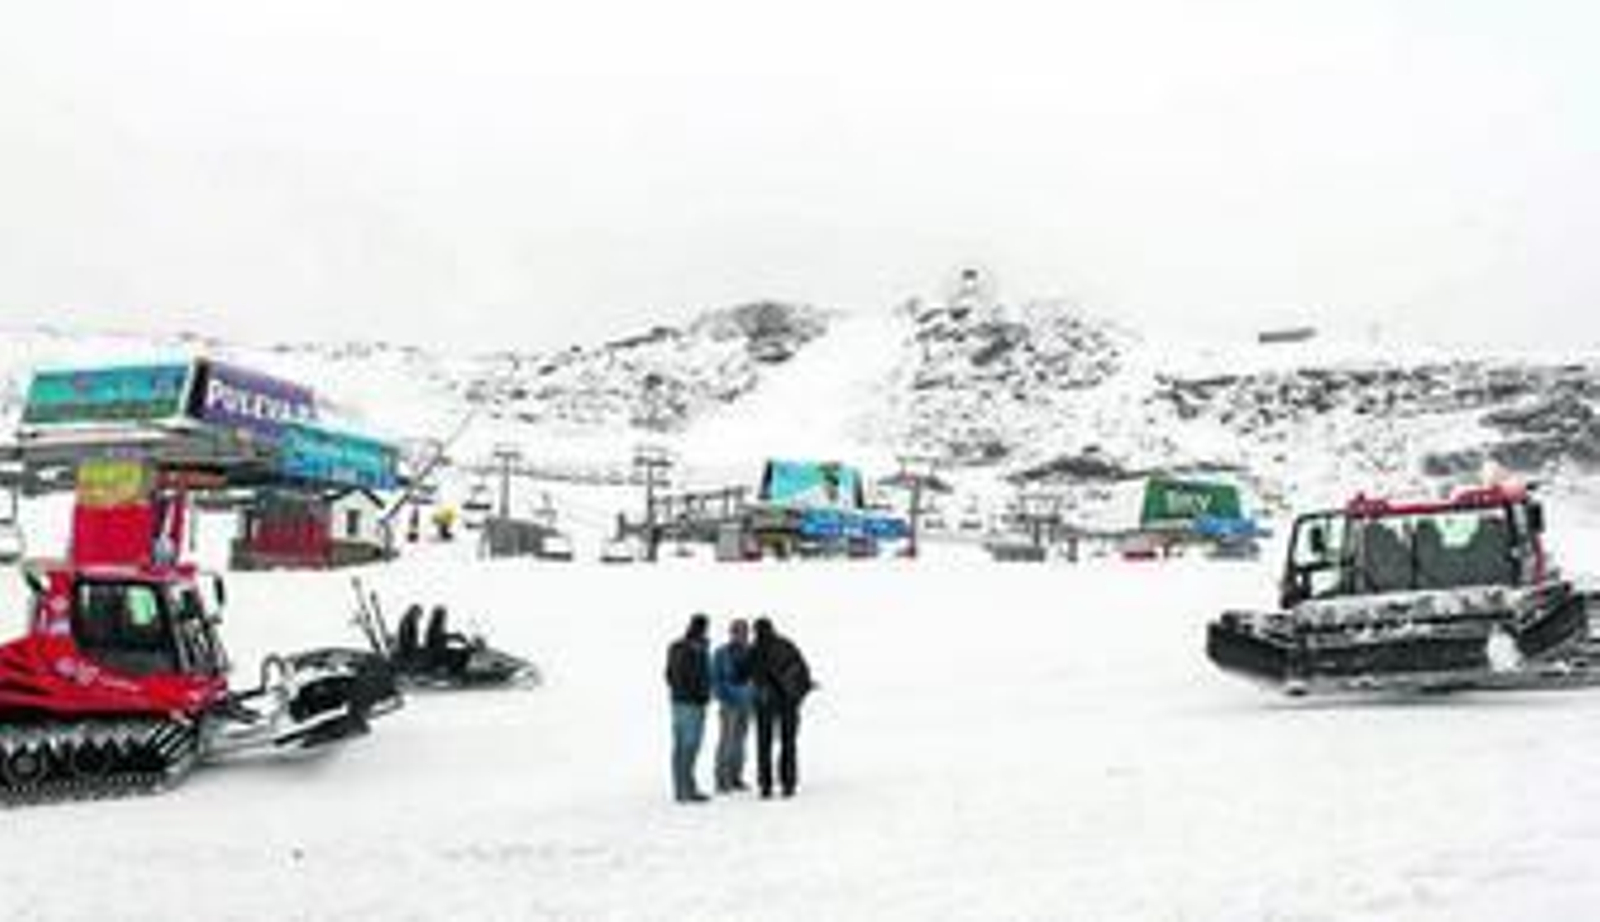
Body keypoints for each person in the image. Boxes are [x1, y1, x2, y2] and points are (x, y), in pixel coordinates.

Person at [748, 617, 813, 799]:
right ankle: (788, 783)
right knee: (788, 743)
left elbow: (745, 673)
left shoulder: (755, 649)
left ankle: (765, 785)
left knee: (764, 745)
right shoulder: (786, 645)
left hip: (765, 703)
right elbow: (803, 670)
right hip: (788, 702)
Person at [664, 613, 713, 803]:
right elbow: (676, 675)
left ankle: (685, 788)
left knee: (684, 746)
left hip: (684, 702)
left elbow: (669, 674)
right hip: (689, 703)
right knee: (688, 746)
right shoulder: (687, 648)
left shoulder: (680, 647)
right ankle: (684, 790)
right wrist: (697, 693)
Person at [710, 618, 755, 793]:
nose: (741, 636)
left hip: (747, 703)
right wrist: (723, 695)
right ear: (732, 633)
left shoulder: (752, 652)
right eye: (737, 632)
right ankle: (722, 779)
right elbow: (715, 678)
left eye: (744, 632)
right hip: (729, 704)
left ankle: (736, 777)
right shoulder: (721, 653)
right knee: (726, 742)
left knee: (740, 742)